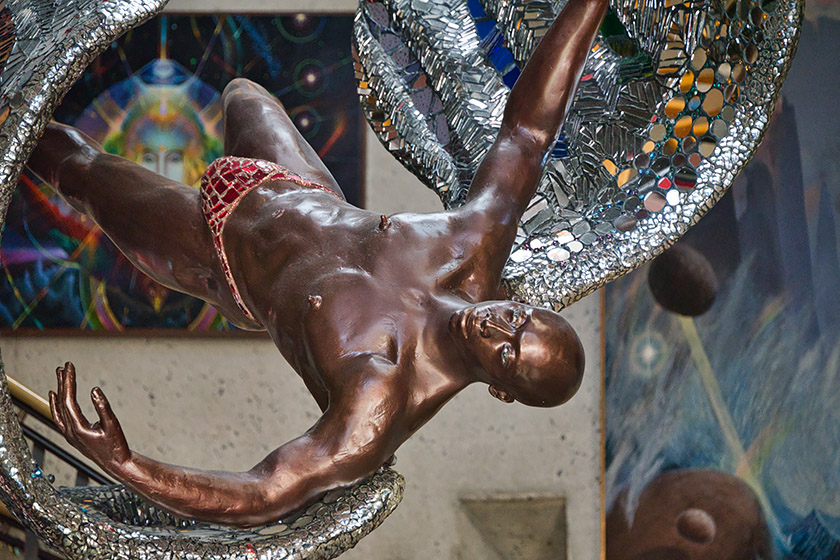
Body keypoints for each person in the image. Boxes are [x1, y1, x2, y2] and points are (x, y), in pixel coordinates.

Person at [32, 0, 607, 527]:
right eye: (520, 318)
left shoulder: (381, 398)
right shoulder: (473, 248)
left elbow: (266, 491)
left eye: (507, 352)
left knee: (79, 171)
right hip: (293, 183)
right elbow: (529, 133)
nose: (498, 326)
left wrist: (130, 466)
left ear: (500, 388)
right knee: (242, 92)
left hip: (215, 249)